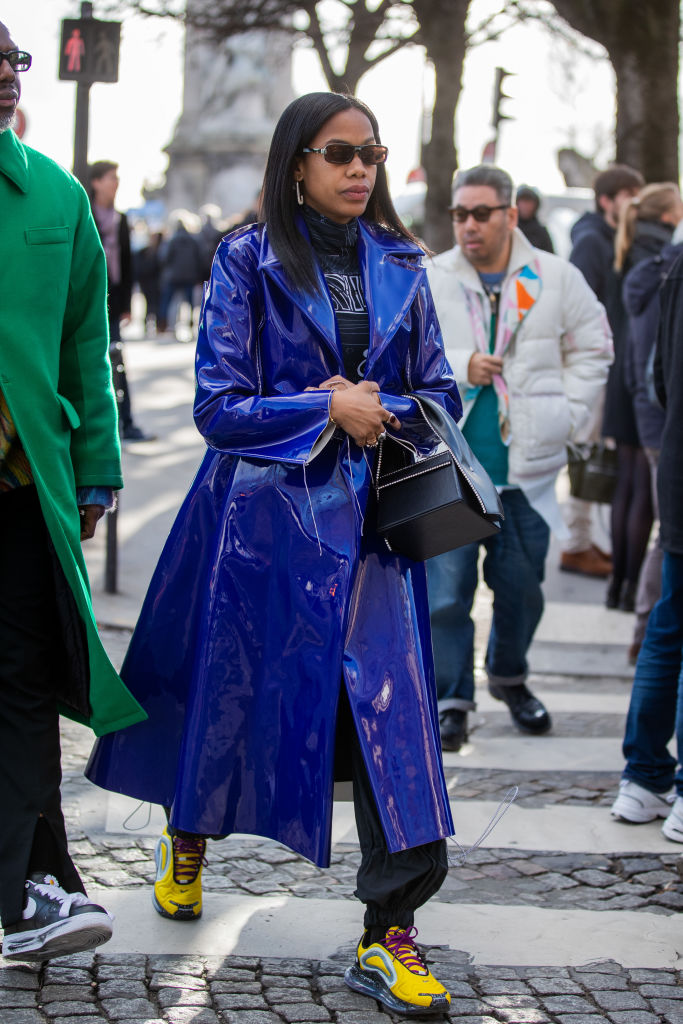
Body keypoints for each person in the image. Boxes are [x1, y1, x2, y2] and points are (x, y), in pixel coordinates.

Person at [86, 92, 460, 1018]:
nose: (359, 167)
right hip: (259, 531)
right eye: (340, 152)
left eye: (370, 151)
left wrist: (380, 407)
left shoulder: (403, 265)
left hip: (372, 537)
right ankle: (188, 833)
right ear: (297, 161)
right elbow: (219, 405)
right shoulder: (244, 259)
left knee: (393, 728)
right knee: (225, 698)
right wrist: (321, 407)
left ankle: (389, 934)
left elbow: (438, 394)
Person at [0, 24, 145, 961]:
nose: (3, 78)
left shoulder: (53, 192)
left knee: (19, 684)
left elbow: (84, 345)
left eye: (7, 61)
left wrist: (97, 467)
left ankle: (26, 892)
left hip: (21, 491)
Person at [426, 165, 612, 752]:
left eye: (481, 213)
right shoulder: (433, 278)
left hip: (528, 475)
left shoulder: (553, 276)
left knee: (523, 592)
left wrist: (570, 415)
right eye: (460, 214)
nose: (468, 225)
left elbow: (593, 348)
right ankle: (452, 697)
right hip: (451, 472)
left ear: (511, 214)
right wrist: (462, 364)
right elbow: (401, 356)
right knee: (446, 597)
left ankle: (509, 676)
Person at [609, 245, 683, 844]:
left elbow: (658, 376)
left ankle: (645, 777)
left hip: (679, 462)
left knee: (669, 624)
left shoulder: (675, 262)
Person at [561, 164, 644, 579]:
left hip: (599, 361)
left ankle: (584, 540)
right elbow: (582, 308)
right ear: (609, 200)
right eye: (631, 195)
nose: (637, 205)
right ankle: (576, 544)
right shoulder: (592, 240)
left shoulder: (605, 236)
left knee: (590, 450)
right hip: (588, 364)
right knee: (584, 451)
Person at [603, 183, 683, 612]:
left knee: (631, 489)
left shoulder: (636, 255)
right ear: (669, 217)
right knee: (652, 507)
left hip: (629, 382)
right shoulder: (664, 261)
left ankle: (622, 586)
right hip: (648, 391)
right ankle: (637, 599)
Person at [620, 221, 683, 660]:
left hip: (656, 416)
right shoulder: (668, 273)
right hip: (663, 421)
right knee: (666, 533)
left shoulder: (652, 271)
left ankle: (642, 623)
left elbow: (649, 367)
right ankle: (642, 624)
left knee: (663, 529)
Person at [88, 161, 155, 441]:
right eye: (110, 178)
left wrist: (127, 305)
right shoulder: (86, 213)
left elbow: (127, 266)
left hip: (114, 300)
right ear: (96, 183)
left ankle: (126, 422)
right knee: (92, 362)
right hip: (89, 300)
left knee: (117, 362)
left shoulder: (121, 218)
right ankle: (95, 427)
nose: (116, 183)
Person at [156, 212, 204, 336]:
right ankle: (192, 325)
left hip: (173, 276)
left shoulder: (172, 239)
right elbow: (199, 258)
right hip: (190, 276)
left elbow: (165, 257)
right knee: (190, 303)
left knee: (170, 302)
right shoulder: (193, 240)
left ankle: (167, 325)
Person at [515, 185, 554, 253]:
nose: (525, 206)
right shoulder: (510, 229)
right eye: (523, 202)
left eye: (529, 202)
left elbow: (551, 256)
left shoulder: (541, 232)